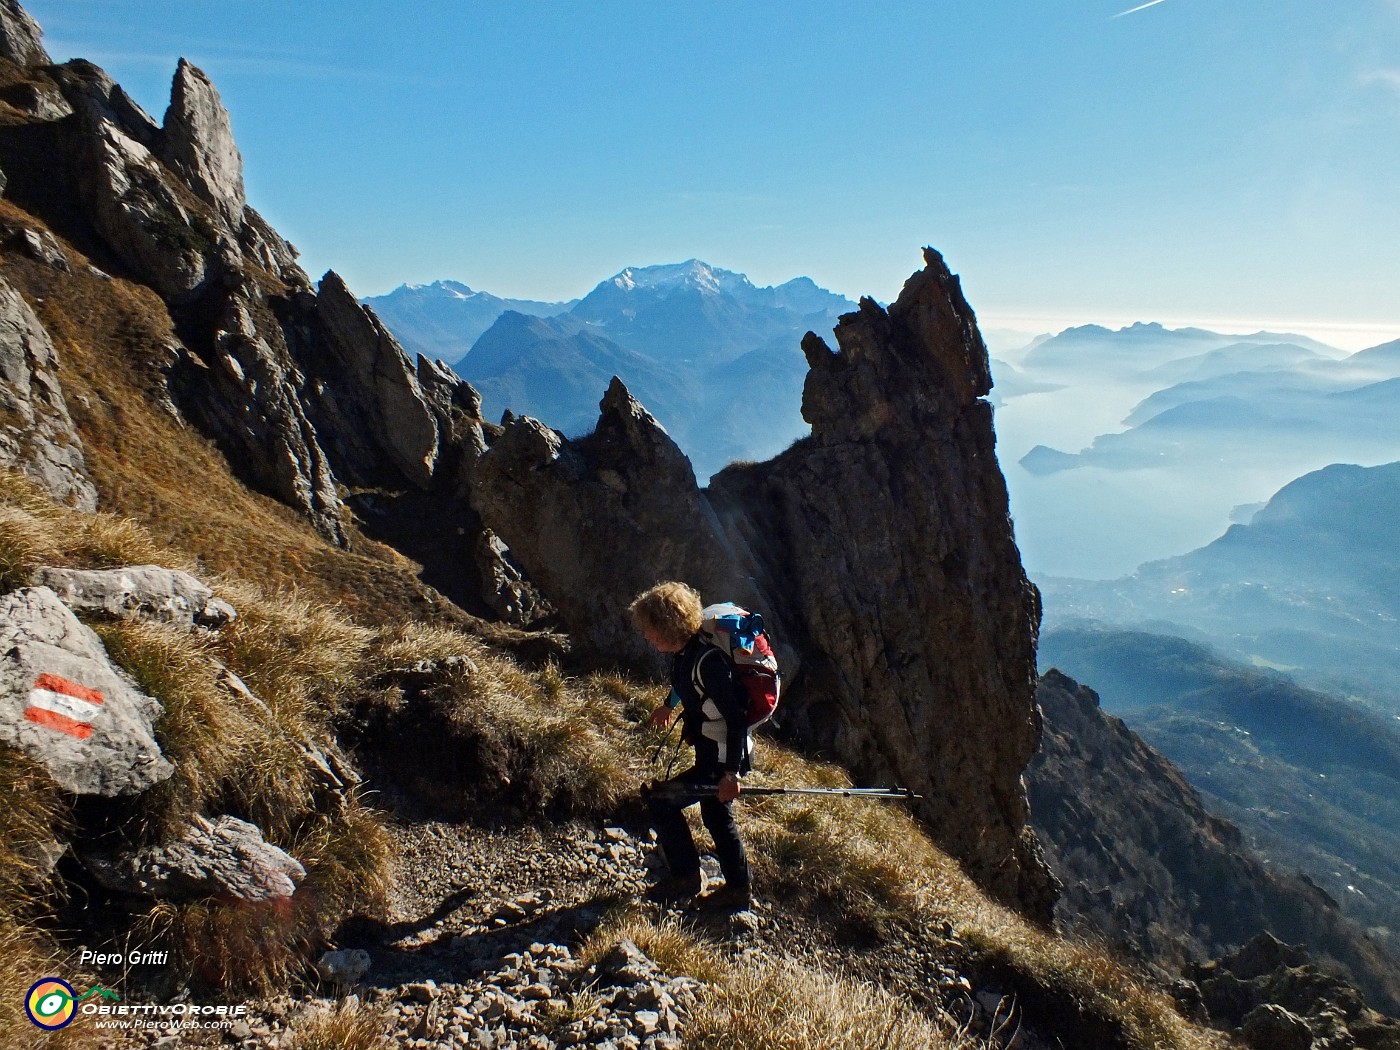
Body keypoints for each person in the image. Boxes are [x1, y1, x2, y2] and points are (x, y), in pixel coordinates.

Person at [629, 581, 753, 911]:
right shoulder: (687, 653)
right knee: (715, 816)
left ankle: (687, 880)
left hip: (722, 756)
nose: (647, 636)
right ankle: (738, 889)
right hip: (711, 750)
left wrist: (731, 774)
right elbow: (685, 682)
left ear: (670, 628)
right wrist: (668, 705)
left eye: (651, 629)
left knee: (662, 802)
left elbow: (737, 718)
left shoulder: (708, 661)